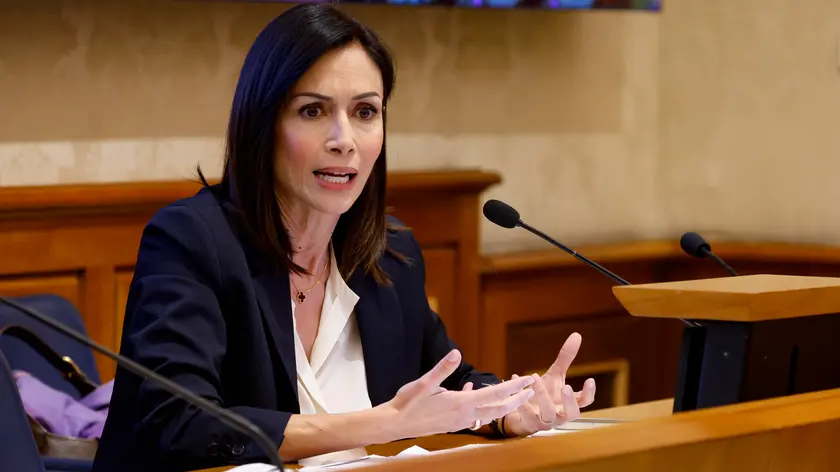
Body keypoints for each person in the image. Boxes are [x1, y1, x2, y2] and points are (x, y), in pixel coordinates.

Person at [92, 4, 597, 471]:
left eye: (365, 112)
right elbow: (180, 423)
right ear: (262, 125)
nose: (344, 140)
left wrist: (510, 408)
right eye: (312, 111)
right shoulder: (193, 241)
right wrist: (382, 425)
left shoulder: (390, 256)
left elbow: (443, 381)